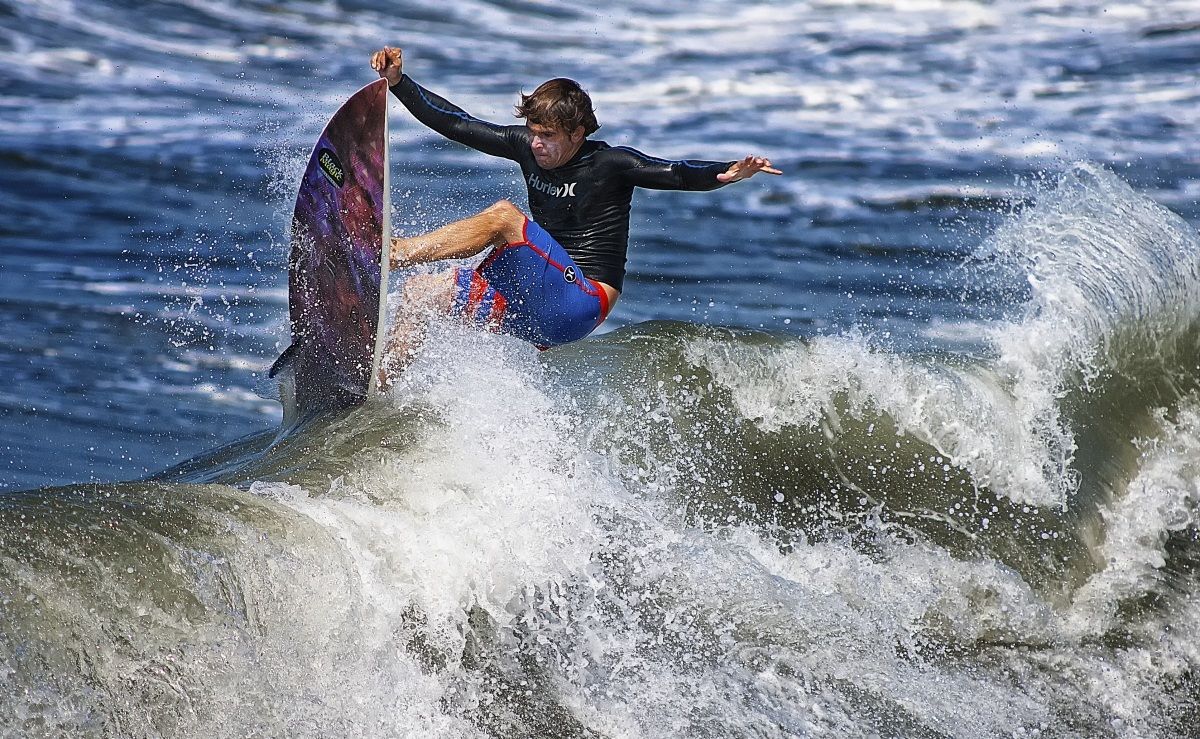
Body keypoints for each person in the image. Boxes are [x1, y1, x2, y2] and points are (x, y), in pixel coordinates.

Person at [369, 46, 781, 386]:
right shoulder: (527, 146)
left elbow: (673, 172)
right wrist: (399, 83)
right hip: (532, 306)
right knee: (424, 293)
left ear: (577, 134)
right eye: (533, 132)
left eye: (548, 136)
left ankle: (393, 253)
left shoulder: (609, 164)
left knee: (504, 218)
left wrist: (725, 172)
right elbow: (458, 124)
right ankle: (379, 385)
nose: (536, 144)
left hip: (581, 300)